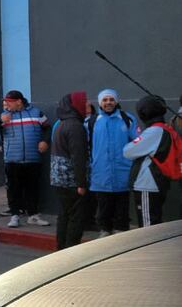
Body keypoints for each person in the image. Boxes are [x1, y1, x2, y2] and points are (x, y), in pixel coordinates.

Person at [0, 90, 51, 228]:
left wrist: (45, 141)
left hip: (33, 158)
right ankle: (15, 215)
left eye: (9, 102)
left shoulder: (36, 113)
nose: (6, 104)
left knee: (32, 188)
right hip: (12, 159)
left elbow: (47, 128)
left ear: (19, 102)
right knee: (13, 189)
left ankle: (33, 215)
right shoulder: (4, 116)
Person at [88, 89, 139, 237]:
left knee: (122, 206)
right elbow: (86, 145)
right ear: (100, 103)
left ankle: (121, 231)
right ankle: (105, 230)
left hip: (122, 171)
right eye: (105, 100)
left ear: (116, 101)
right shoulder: (91, 121)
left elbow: (137, 141)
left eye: (111, 99)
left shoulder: (127, 119)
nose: (108, 102)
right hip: (101, 172)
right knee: (104, 205)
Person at [124, 95, 179, 228]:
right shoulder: (166, 128)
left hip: (147, 185)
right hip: (158, 183)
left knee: (147, 228)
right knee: (154, 223)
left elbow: (127, 151)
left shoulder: (154, 131)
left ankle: (148, 249)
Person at [50, 92, 89, 249]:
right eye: (84, 102)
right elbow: (78, 156)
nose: (87, 106)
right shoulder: (75, 126)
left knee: (64, 215)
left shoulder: (61, 124)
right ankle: (71, 249)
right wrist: (82, 183)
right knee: (75, 217)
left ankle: (62, 248)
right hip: (71, 180)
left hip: (59, 179)